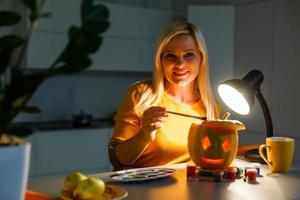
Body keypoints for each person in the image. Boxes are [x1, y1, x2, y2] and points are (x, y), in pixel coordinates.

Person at [108, 21, 220, 170]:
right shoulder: (141, 94)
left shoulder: (211, 106)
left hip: (193, 191)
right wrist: (145, 134)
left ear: (201, 58)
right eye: (171, 56)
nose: (180, 64)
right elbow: (117, 159)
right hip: (145, 191)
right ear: (160, 60)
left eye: (188, 55)